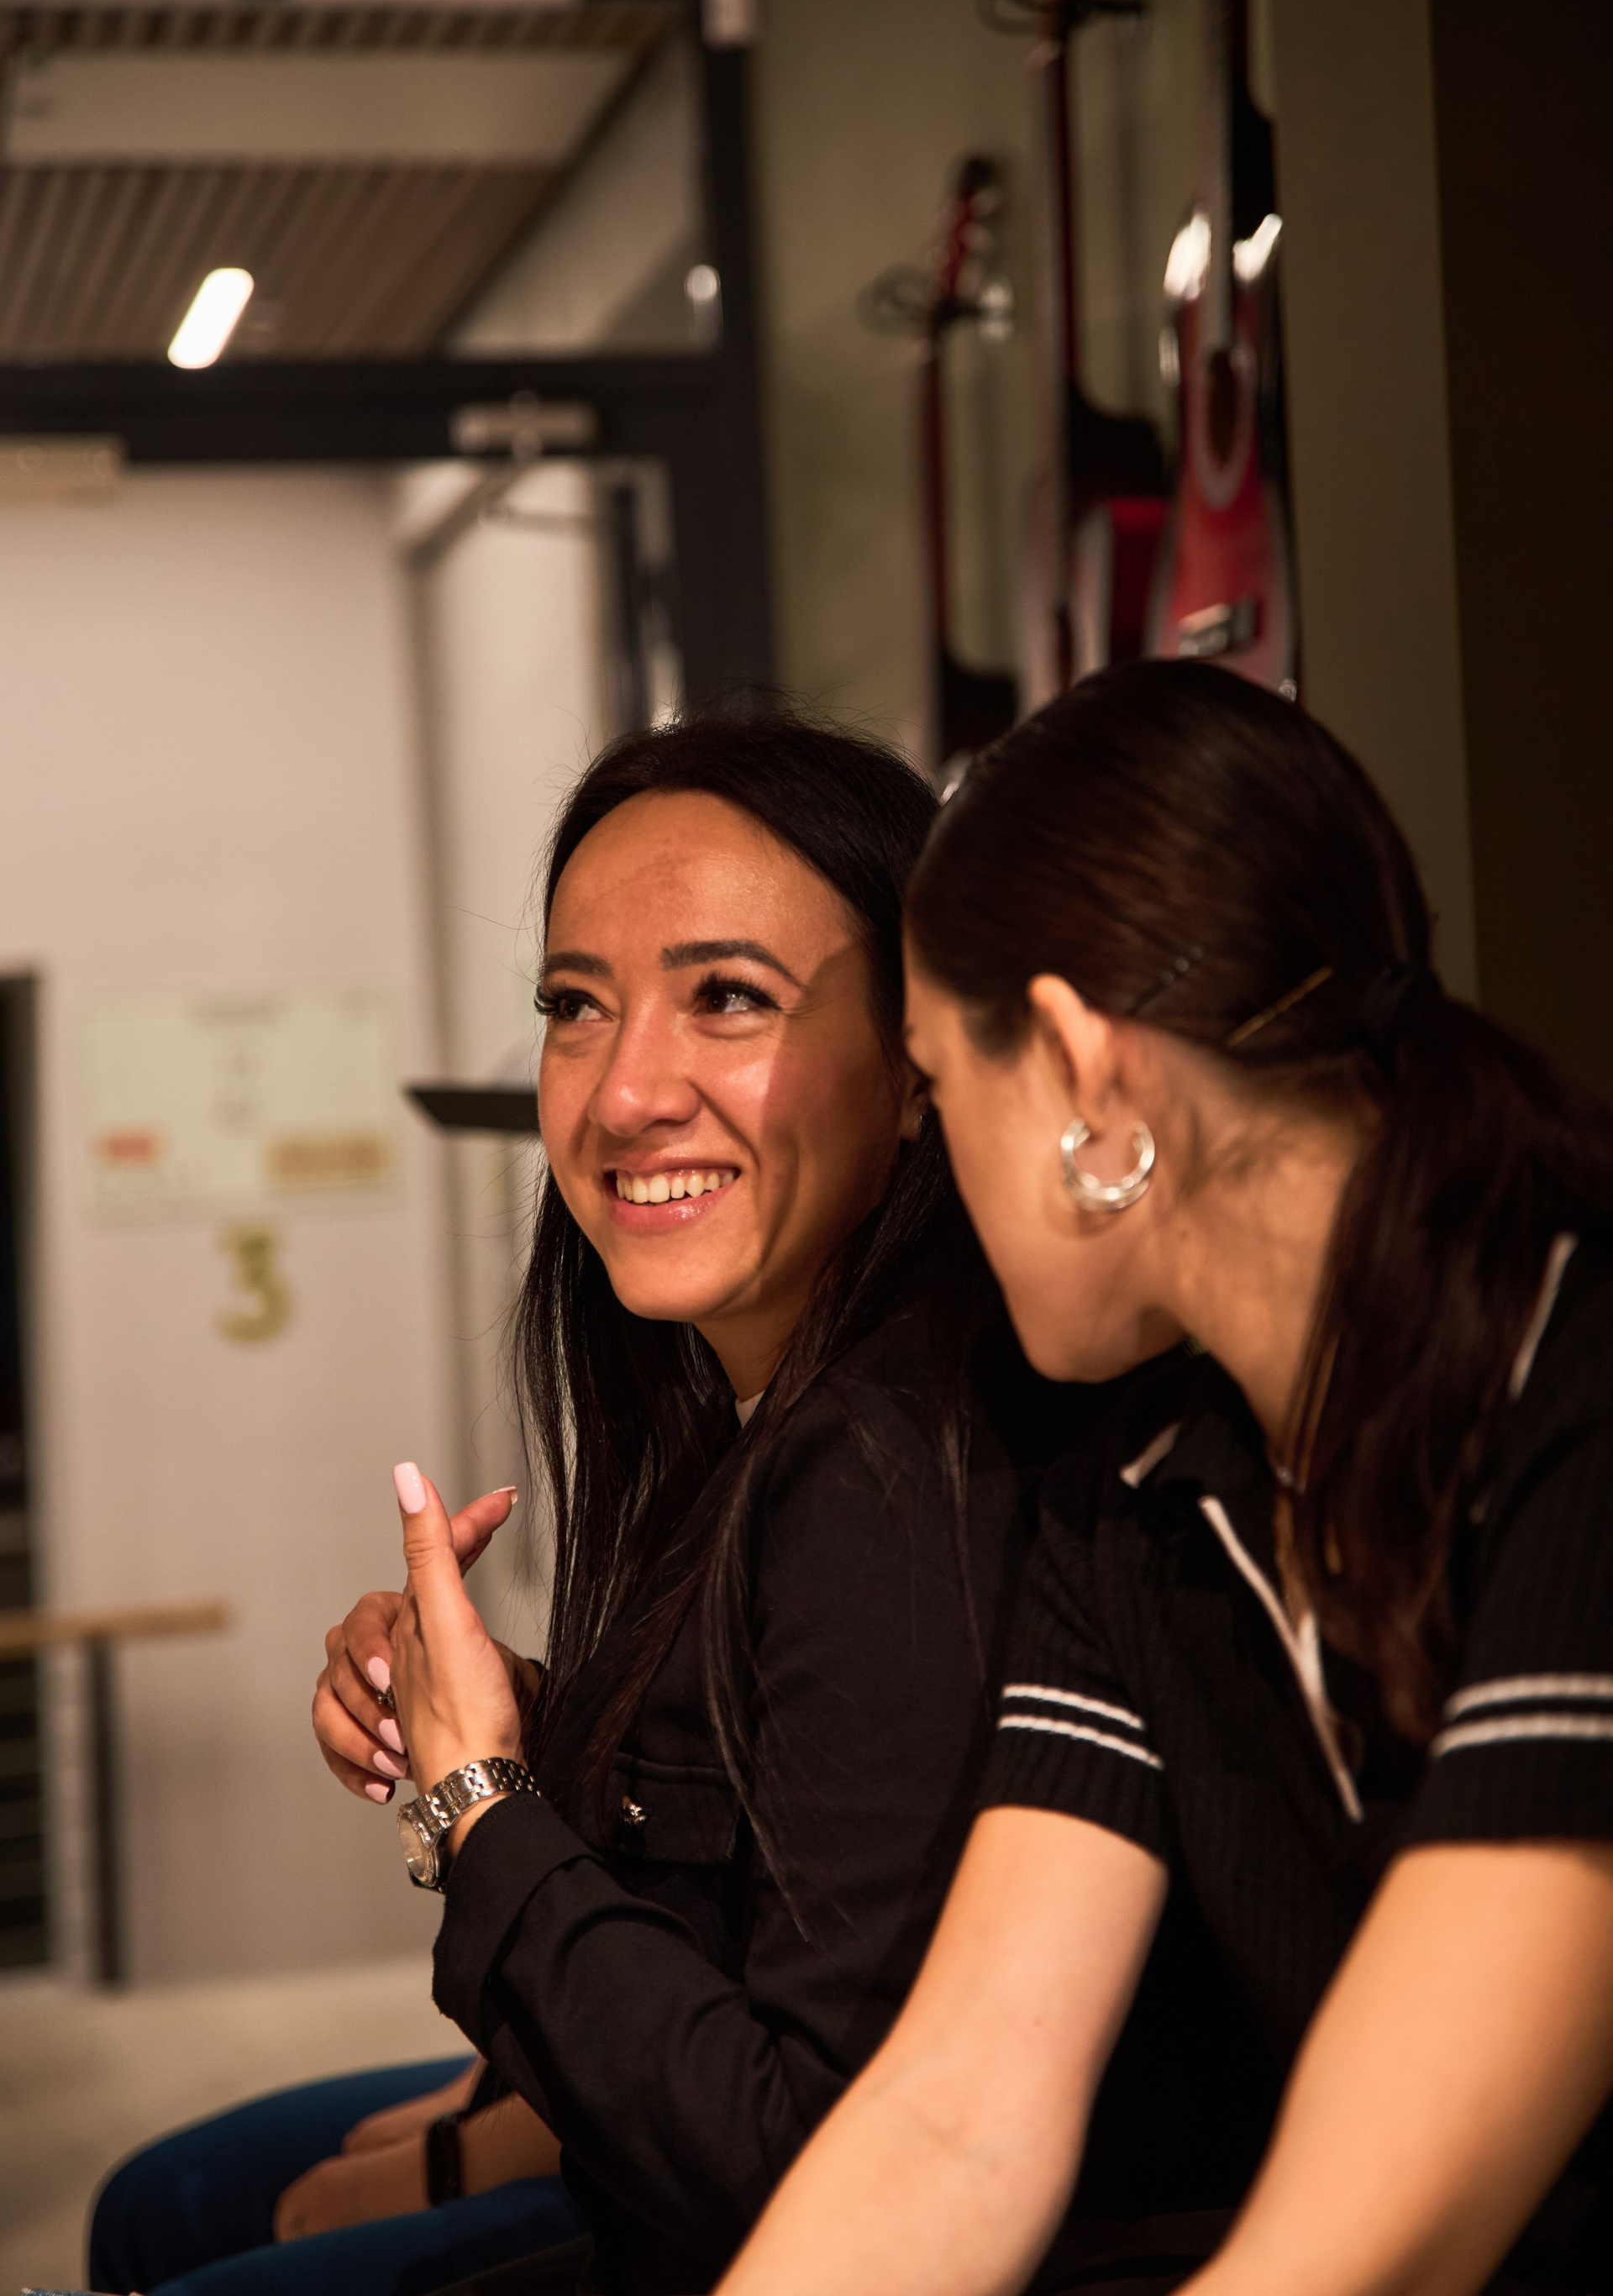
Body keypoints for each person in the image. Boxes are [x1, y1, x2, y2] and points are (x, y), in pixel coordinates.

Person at [91, 713, 1101, 2296]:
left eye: (729, 998)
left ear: (919, 1067)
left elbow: (785, 2163)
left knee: (180, 2220)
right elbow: (771, 1809)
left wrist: (477, 1803)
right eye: (574, 1006)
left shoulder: (889, 1470)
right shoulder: (763, 1413)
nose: (624, 1094)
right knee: (167, 2203)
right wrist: (517, 1717)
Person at [710, 662, 1613, 2296]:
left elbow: (1379, 2240)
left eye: (939, 1083)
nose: (934, 1152)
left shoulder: (1581, 1381)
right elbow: (959, 2115)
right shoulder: (1129, 1496)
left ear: (1083, 1072)